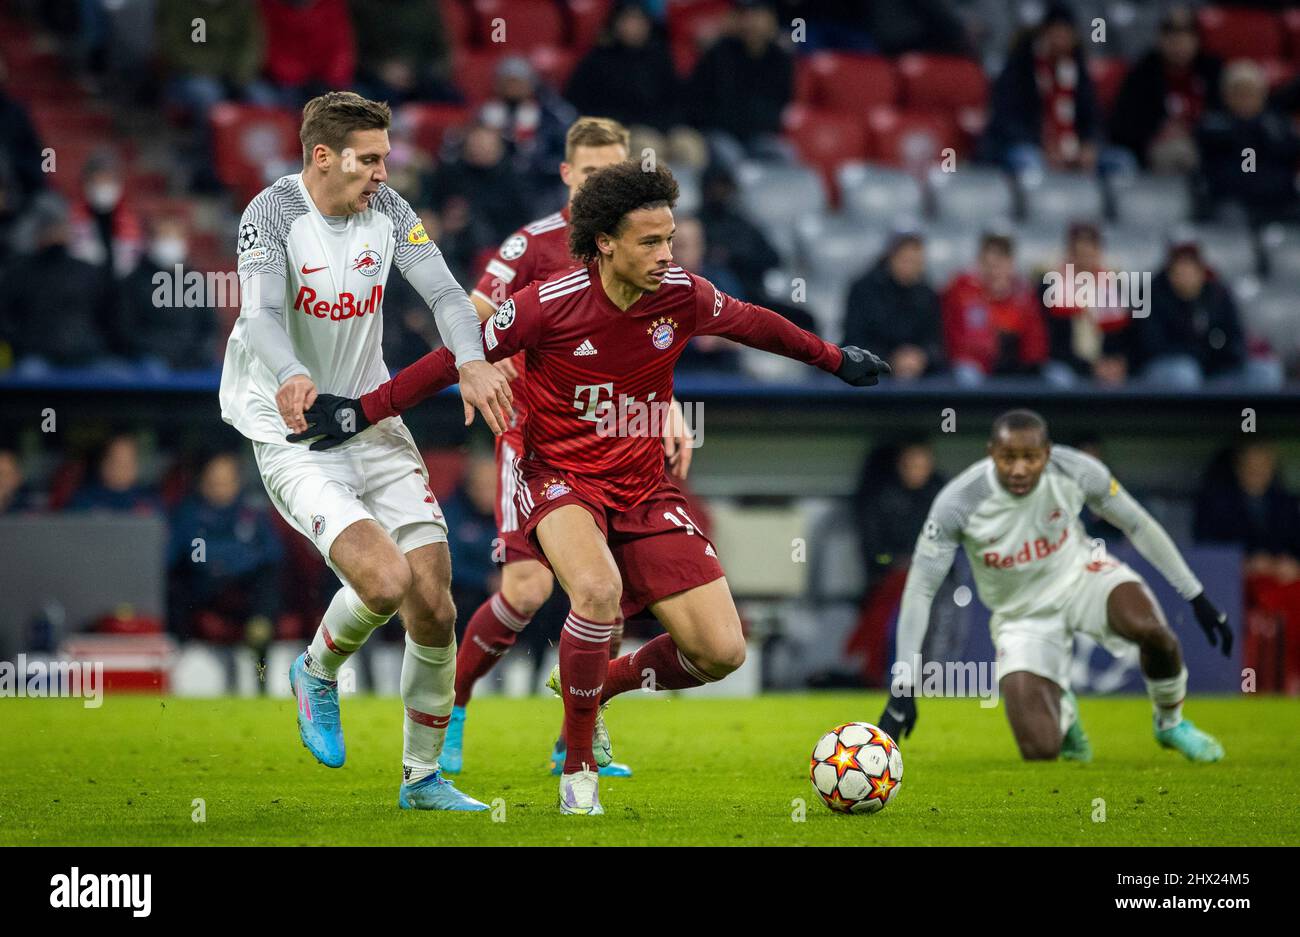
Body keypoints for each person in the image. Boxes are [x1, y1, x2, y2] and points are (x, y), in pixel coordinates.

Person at [289, 160, 891, 814]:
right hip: (561, 478)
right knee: (596, 593)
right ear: (605, 241)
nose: (668, 254)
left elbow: (756, 323)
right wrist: (362, 409)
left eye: (669, 239)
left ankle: (601, 684)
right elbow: (453, 355)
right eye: (650, 242)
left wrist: (837, 359)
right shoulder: (547, 305)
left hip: (644, 487)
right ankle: (578, 771)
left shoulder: (681, 295)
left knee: (721, 651)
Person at [217, 91, 511, 811]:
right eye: (371, 158)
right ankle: (317, 671)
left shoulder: (393, 213)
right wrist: (290, 374)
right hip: (292, 427)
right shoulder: (272, 213)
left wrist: (469, 358)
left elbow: (444, 293)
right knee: (383, 581)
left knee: (435, 603)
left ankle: (422, 779)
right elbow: (257, 314)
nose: (385, 172)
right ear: (324, 156)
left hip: (369, 416)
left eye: (388, 157)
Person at [437, 117, 687, 779]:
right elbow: (472, 311)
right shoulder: (531, 245)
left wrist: (667, 412)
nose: (606, 181)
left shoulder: (643, 243)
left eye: (618, 170)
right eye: (594, 171)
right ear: (567, 175)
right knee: (525, 589)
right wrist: (478, 366)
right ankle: (454, 704)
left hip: (615, 443)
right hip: (536, 438)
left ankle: (575, 736)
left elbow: (657, 338)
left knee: (608, 589)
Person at [877, 410, 1231, 764]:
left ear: (1047, 453)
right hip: (1020, 615)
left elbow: (1137, 524)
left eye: (1030, 457)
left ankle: (1170, 724)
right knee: (1040, 751)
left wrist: (1195, 595)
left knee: (1157, 636)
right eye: (1007, 458)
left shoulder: (1076, 470)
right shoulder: (959, 501)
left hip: (1082, 576)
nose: (1018, 469)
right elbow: (921, 589)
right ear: (991, 453)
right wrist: (904, 684)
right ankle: (1065, 711)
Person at [168, 452, 285, 690]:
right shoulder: (190, 515)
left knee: (267, 581)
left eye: (227, 481)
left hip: (246, 593)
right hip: (206, 592)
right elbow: (195, 557)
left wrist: (232, 560)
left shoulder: (253, 513)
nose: (221, 488)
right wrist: (232, 558)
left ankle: (261, 678)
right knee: (179, 586)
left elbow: (273, 554)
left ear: (237, 482)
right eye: (215, 481)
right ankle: (177, 664)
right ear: (202, 482)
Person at [1131, 238, 1274, 388]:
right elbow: (1151, 346)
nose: (1186, 274)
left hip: (1213, 369)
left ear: (1201, 271)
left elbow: (1236, 338)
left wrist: (1224, 354)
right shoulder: (1150, 294)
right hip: (1168, 369)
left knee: (1265, 371)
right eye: (1180, 268)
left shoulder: (1218, 294)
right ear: (1170, 272)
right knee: (1184, 373)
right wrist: (1199, 352)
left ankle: (1247, 412)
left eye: (1191, 267)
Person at [1109, 6, 1220, 173]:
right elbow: (1123, 126)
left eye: (1184, 38)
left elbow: (1225, 117)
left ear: (1196, 41)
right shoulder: (1143, 74)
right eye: (1172, 38)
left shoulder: (1212, 71)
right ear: (1160, 40)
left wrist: (1195, 131)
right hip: (1159, 150)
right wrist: (1157, 131)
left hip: (1206, 143)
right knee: (1176, 154)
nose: (1178, 45)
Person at [1197, 59, 1300, 226]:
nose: (1245, 99)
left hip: (1279, 200)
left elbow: (1287, 157)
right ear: (1226, 95)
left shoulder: (1277, 124)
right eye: (1238, 93)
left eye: (1251, 92)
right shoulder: (1213, 126)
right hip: (1233, 202)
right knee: (1233, 218)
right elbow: (1242, 169)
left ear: (1262, 94)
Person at [941, 231, 1047, 382]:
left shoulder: (1024, 297)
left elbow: (1035, 346)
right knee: (967, 375)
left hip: (1016, 368)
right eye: (988, 263)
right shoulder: (961, 292)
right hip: (975, 367)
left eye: (1000, 262)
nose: (994, 271)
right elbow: (953, 341)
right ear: (979, 263)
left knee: (1056, 378)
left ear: (1011, 263)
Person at [116, 214, 217, 370]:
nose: (170, 243)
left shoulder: (195, 281)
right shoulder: (133, 283)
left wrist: (198, 352)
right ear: (150, 241)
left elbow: (210, 326)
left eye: (175, 237)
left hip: (192, 358)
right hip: (149, 359)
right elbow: (125, 331)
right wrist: (159, 350)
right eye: (164, 236)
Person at [843, 228, 945, 381]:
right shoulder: (863, 290)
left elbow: (935, 342)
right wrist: (890, 359)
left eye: (916, 262)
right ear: (891, 257)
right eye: (905, 260)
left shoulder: (927, 294)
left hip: (919, 372)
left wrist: (921, 357)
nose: (910, 267)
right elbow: (854, 339)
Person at [1039, 221, 1131, 385]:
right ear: (1070, 253)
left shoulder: (1111, 286)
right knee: (1060, 379)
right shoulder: (1052, 286)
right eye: (1080, 251)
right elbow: (1050, 340)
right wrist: (1090, 366)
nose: (1086, 257)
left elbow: (1120, 336)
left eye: (1091, 250)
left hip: (1102, 364)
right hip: (1065, 363)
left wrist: (1113, 362)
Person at [67, 434, 161, 515]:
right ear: (104, 464)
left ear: (136, 465)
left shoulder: (150, 501)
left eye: (127, 462)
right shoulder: (84, 500)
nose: (122, 468)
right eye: (116, 462)